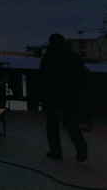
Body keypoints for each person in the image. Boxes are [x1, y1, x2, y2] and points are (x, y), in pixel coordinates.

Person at [39, 33, 88, 162]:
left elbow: (43, 78)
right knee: (71, 125)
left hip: (52, 97)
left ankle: (56, 152)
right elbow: (82, 76)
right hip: (69, 97)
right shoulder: (73, 56)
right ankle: (81, 150)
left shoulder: (48, 57)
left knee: (52, 126)